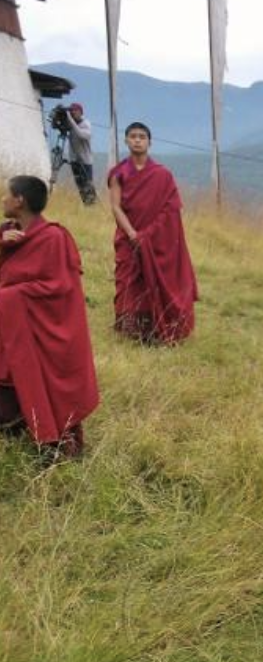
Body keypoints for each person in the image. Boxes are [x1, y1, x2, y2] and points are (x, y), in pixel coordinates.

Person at [0, 175, 98, 456]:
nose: (3, 199)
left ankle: (52, 442)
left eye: (7, 194)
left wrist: (9, 297)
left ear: (20, 200)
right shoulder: (7, 231)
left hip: (40, 331)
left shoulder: (54, 238)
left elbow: (60, 288)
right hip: (11, 331)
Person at [108, 121, 198, 344]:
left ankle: (156, 328)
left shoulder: (162, 175)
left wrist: (148, 234)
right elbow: (116, 206)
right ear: (126, 141)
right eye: (133, 136)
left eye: (142, 136)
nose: (137, 140)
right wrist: (132, 234)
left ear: (149, 142)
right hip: (128, 239)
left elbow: (171, 208)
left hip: (156, 240)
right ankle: (131, 328)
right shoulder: (118, 173)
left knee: (158, 281)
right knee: (128, 282)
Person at [63, 104, 97, 205]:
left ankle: (92, 206)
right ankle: (86, 205)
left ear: (81, 112)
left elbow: (82, 135)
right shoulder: (71, 124)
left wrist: (70, 120)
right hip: (74, 161)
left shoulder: (86, 124)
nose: (73, 113)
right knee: (80, 186)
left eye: (75, 111)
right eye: (71, 111)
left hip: (85, 161)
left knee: (88, 186)